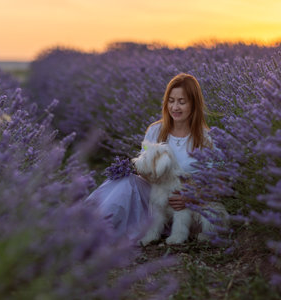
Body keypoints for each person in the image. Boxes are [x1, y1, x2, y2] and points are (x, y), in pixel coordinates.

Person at [85, 73, 214, 241]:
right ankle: (90, 226)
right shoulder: (154, 131)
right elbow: (146, 171)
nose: (175, 107)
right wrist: (138, 170)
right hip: (155, 199)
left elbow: (217, 177)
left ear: (194, 104)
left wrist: (192, 197)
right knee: (125, 182)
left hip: (187, 207)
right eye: (171, 101)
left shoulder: (207, 139)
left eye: (182, 102)